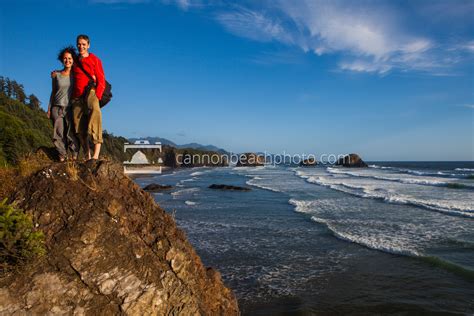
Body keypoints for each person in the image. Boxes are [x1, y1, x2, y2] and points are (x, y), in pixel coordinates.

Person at [71, 34, 106, 160]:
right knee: (79, 128)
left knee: (95, 113)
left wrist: (97, 96)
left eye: (84, 44)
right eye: (79, 44)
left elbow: (101, 79)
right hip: (76, 97)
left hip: (91, 92)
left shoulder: (95, 59)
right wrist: (56, 73)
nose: (81, 47)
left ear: (88, 45)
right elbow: (67, 70)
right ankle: (87, 156)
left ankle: (95, 156)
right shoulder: (75, 61)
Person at [47, 46, 80, 161]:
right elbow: (53, 91)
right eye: (65, 58)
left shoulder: (76, 75)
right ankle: (62, 155)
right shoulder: (56, 75)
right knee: (58, 132)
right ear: (62, 60)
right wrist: (49, 108)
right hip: (56, 107)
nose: (67, 60)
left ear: (73, 60)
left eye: (70, 58)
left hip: (70, 108)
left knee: (71, 133)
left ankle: (74, 154)